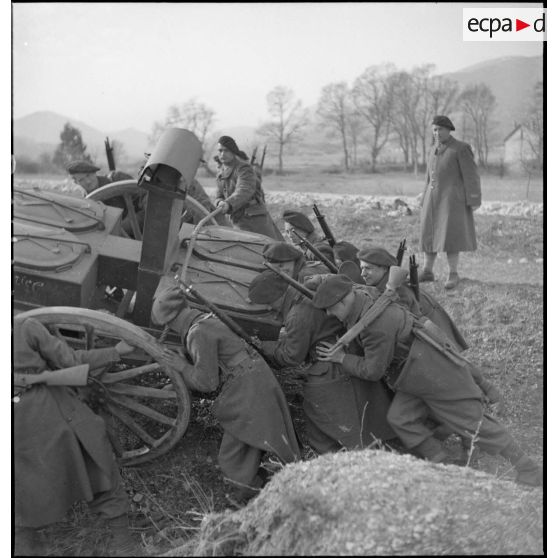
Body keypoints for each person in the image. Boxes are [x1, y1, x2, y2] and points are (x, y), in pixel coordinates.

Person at [313, 275, 542, 487]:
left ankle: (528, 468)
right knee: (401, 418)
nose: (329, 316)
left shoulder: (374, 327)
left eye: (331, 310)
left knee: (474, 424)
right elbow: (343, 283)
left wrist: (342, 358)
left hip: (433, 371)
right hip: (412, 374)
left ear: (343, 302)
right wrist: (320, 280)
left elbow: (373, 370)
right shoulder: (366, 295)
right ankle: (441, 462)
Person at [151, 285, 301, 503]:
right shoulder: (204, 319)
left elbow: (207, 383)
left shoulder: (197, 333)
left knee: (232, 456)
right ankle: (267, 487)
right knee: (257, 441)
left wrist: (181, 366)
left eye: (168, 325)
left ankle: (250, 497)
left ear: (173, 319)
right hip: (255, 378)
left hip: (246, 390)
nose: (169, 329)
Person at [13, 318, 141, 556]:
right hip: (50, 410)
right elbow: (71, 361)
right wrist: (115, 351)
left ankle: (25, 545)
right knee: (96, 458)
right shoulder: (24, 327)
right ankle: (123, 544)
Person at [248, 271, 397, 454]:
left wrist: (263, 346)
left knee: (326, 422)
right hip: (349, 354)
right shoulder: (307, 292)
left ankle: (338, 460)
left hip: (332, 369)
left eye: (270, 304)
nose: (271, 309)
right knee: (365, 419)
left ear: (278, 298)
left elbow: (291, 357)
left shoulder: (297, 315)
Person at [419, 115, 482, 289]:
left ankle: (453, 273)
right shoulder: (433, 149)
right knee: (428, 234)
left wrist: (474, 198)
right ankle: (427, 271)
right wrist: (424, 197)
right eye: (434, 130)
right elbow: (428, 178)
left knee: (450, 237)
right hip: (431, 201)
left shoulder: (461, 149)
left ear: (448, 130)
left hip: (452, 202)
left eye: (440, 129)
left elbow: (471, 176)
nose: (436, 133)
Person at [215, 136, 283, 240]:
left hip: (254, 219)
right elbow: (218, 195)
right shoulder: (221, 174)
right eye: (220, 151)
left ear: (233, 152)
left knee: (272, 250)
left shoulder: (243, 168)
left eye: (226, 150)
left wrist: (228, 203)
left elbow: (244, 189)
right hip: (236, 219)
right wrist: (219, 202)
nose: (222, 154)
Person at [262, 241, 329, 283]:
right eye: (275, 269)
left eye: (281, 266)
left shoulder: (304, 275)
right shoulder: (302, 268)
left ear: (293, 260)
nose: (280, 271)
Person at [66, 160, 134, 195]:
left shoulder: (118, 179)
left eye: (88, 175)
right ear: (76, 183)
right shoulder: (86, 202)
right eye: (81, 180)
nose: (88, 181)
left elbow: (143, 196)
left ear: (95, 173)